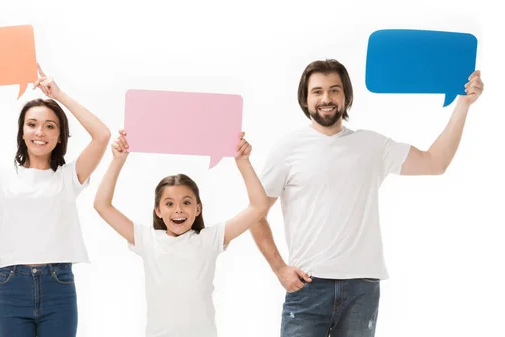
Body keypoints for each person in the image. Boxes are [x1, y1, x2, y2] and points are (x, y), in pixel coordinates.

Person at [249, 59, 484, 337]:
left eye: (334, 90)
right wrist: (279, 269)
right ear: (305, 98)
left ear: (346, 96)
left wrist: (463, 105)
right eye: (318, 91)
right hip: (308, 286)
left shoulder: (372, 145)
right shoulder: (287, 149)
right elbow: (255, 214)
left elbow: (435, 162)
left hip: (362, 288)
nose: (327, 98)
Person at [0, 64, 111, 337]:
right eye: (32, 124)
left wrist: (60, 95)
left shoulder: (69, 177)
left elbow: (102, 135)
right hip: (11, 286)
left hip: (58, 286)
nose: (40, 132)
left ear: (59, 136)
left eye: (50, 126)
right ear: (22, 131)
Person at [93, 129, 267, 337]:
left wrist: (243, 162)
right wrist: (117, 160)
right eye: (169, 204)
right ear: (158, 210)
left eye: (186, 203)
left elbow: (258, 207)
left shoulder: (210, 239)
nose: (178, 210)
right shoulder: (147, 239)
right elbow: (102, 205)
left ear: (197, 209)